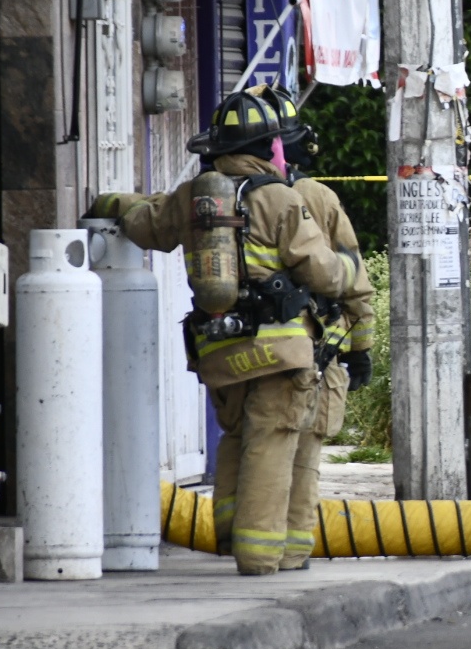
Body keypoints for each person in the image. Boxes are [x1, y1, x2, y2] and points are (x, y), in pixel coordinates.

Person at [89, 90, 362, 575]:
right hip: (280, 351)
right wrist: (347, 269)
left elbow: (148, 222)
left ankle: (235, 538)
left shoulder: (198, 197)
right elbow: (322, 273)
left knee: (235, 440)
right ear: (268, 147)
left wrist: (111, 201)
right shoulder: (281, 198)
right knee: (273, 442)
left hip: (220, 350)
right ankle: (259, 555)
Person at [250, 85, 375, 569]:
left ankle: (235, 538)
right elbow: (352, 278)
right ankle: (289, 553)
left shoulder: (230, 194)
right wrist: (360, 349)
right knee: (302, 454)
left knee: (251, 445)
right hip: (311, 351)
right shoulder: (315, 196)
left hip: (241, 350)